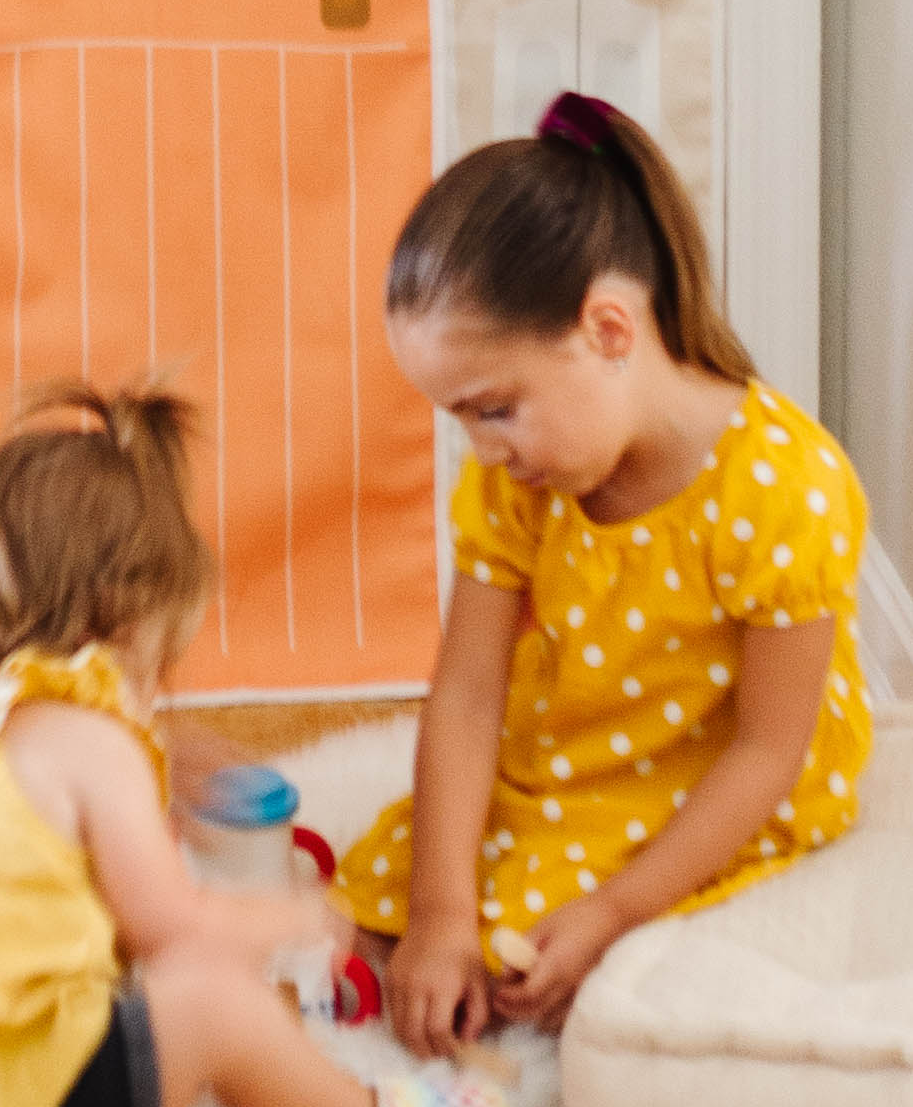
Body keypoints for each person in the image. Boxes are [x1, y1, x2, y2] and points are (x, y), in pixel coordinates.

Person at [0, 385, 522, 1107]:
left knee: (126, 1006)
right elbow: (171, 925)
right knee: (208, 999)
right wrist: (295, 918)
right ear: (129, 614)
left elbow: (21, 912)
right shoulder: (89, 734)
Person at [338, 91, 872, 1048]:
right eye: (460, 416)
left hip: (718, 772)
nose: (482, 448)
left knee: (542, 949)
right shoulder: (521, 479)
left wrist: (615, 910)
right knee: (399, 898)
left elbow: (767, 753)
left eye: (493, 407)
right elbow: (465, 694)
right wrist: (440, 912)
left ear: (610, 331)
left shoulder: (788, 488)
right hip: (579, 738)